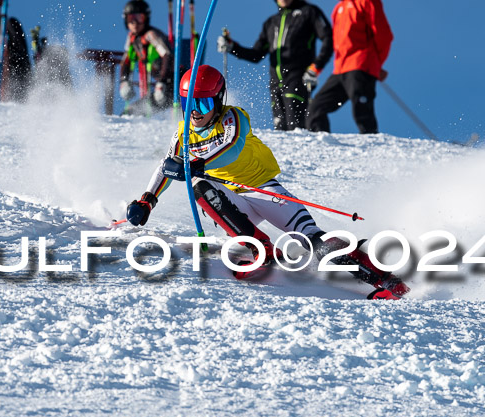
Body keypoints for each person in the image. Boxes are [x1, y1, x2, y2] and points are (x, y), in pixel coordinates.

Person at [125, 65, 409, 300]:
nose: (195, 112)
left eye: (202, 103)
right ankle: (259, 248)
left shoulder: (233, 118)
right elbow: (165, 166)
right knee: (201, 187)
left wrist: (198, 164)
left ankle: (385, 281)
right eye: (188, 104)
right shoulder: (184, 133)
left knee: (314, 241)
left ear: (218, 101)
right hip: (232, 201)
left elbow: (232, 148)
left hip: (263, 189)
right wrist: (147, 200)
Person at [217, 0, 332, 131]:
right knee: (280, 128)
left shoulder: (308, 12)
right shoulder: (271, 22)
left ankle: (315, 146)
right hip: (275, 82)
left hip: (298, 77)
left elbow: (328, 37)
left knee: (296, 126)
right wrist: (232, 47)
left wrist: (316, 66)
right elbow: (256, 54)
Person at [307, 0, 393, 134]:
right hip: (340, 69)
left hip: (361, 63)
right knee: (316, 108)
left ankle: (372, 145)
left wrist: (376, 64)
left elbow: (384, 35)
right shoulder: (339, 8)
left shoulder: (367, 2)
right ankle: (322, 144)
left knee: (362, 108)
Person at [118, 0, 174, 114]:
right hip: (161, 87)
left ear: (146, 18)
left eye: (139, 18)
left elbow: (167, 55)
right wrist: (124, 81)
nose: (135, 23)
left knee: (134, 112)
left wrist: (162, 82)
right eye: (130, 19)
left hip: (172, 84)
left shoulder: (151, 35)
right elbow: (126, 61)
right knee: (129, 112)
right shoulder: (132, 38)